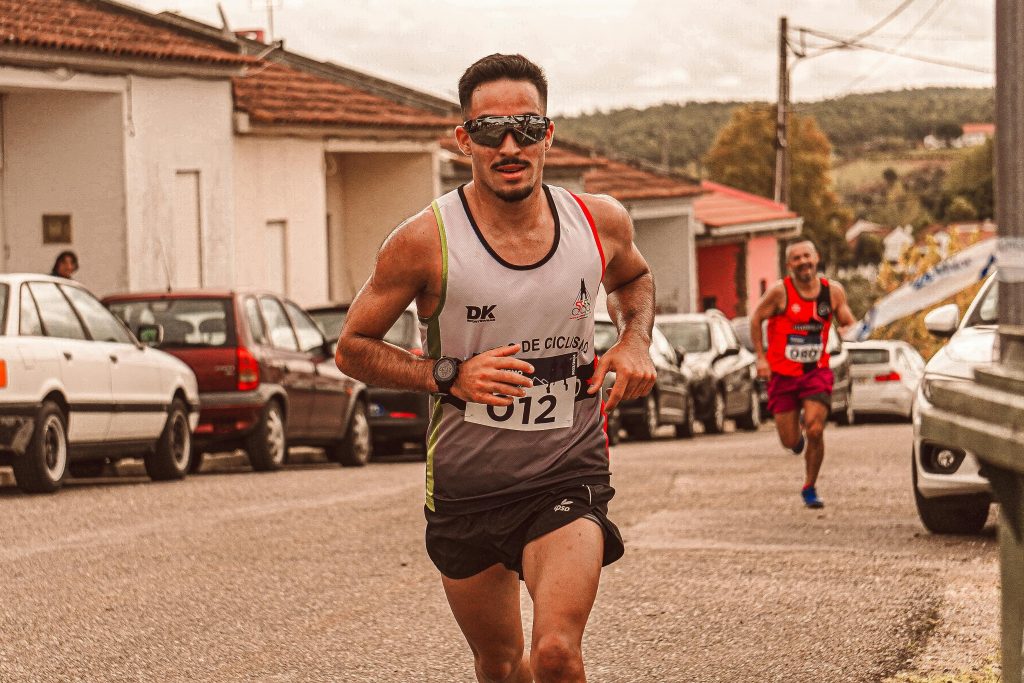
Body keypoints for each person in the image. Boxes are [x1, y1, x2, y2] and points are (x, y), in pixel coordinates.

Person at [335, 53, 657, 682]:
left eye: (526, 128)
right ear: (465, 140)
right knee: (501, 662)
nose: (510, 146)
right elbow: (352, 348)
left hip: (566, 470)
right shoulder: (424, 241)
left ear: (548, 134)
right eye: (490, 130)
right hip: (467, 487)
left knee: (556, 653)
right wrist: (447, 375)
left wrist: (634, 340)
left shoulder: (600, 222)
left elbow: (634, 279)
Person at [749, 240, 856, 509]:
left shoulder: (832, 292)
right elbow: (756, 319)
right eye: (796, 258)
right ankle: (797, 440)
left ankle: (810, 486)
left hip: (815, 372)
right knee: (789, 441)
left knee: (815, 429)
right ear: (789, 265)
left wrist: (849, 330)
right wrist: (761, 357)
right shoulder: (780, 292)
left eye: (807, 256)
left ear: (816, 258)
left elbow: (848, 322)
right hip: (782, 375)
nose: (803, 262)